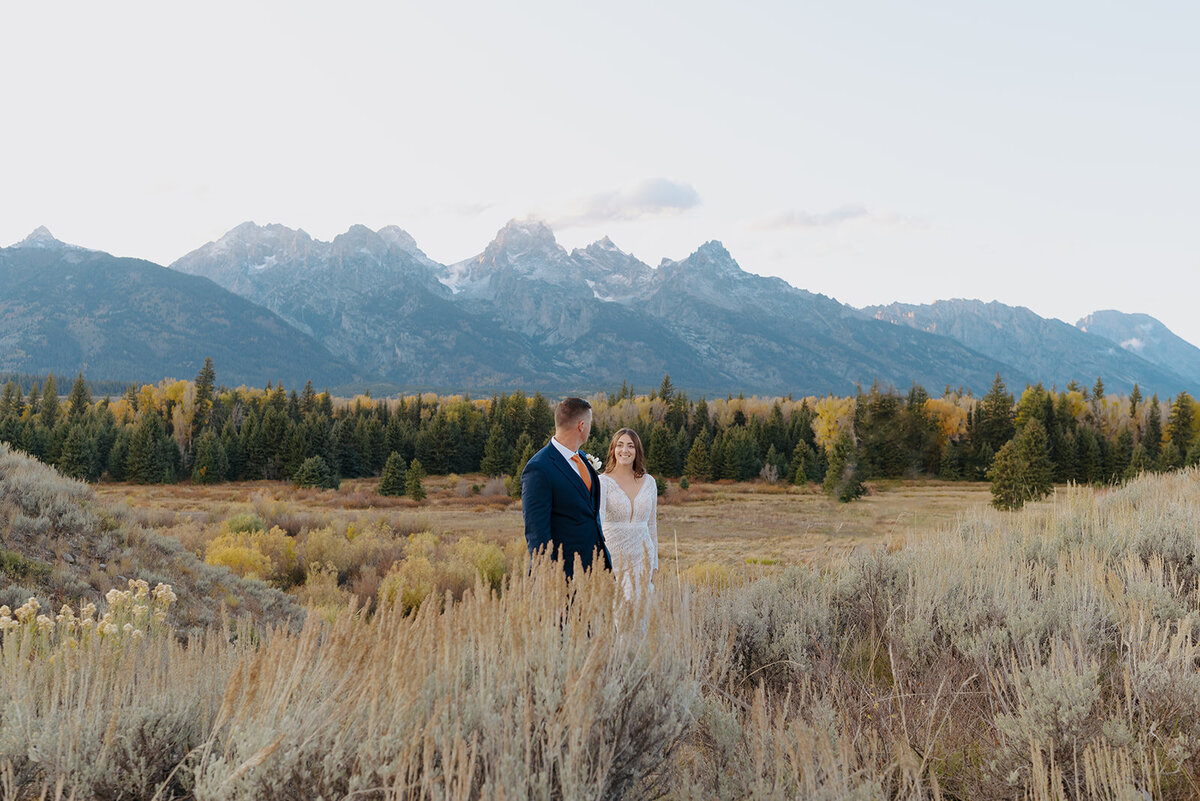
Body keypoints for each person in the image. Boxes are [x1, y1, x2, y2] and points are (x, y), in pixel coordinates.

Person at [521, 397, 611, 578]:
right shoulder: (539, 468)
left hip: (597, 571)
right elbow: (537, 535)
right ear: (581, 426)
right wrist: (551, 584)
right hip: (565, 576)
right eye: (590, 423)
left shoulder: (583, 459)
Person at [598, 428, 658, 601]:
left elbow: (652, 525)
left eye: (630, 446)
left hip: (643, 559)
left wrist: (654, 565)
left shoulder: (649, 482)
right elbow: (598, 524)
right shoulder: (603, 482)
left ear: (637, 451)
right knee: (618, 617)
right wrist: (601, 563)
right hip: (614, 560)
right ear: (613, 450)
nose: (625, 450)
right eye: (620, 445)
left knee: (641, 616)